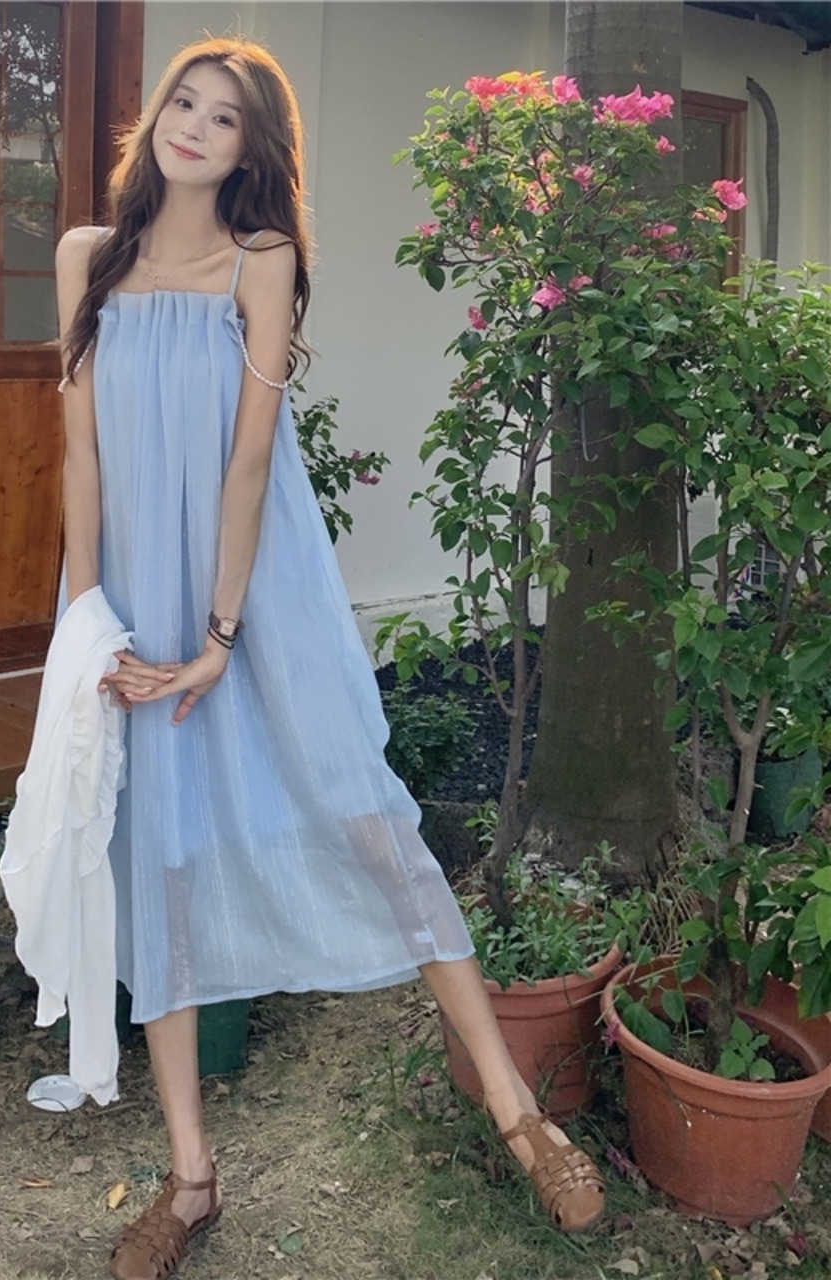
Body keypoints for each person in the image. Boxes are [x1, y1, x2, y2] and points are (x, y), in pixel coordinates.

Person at [53, 36, 605, 1280]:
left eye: (224, 118)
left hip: (260, 595)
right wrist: (89, 620)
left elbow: (248, 460)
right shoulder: (86, 258)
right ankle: (190, 1178)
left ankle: (519, 1113)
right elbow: (79, 453)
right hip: (129, 604)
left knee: (371, 819)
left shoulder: (260, 259)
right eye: (183, 102)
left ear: (252, 150)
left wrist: (218, 636)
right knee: (160, 857)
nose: (193, 126)